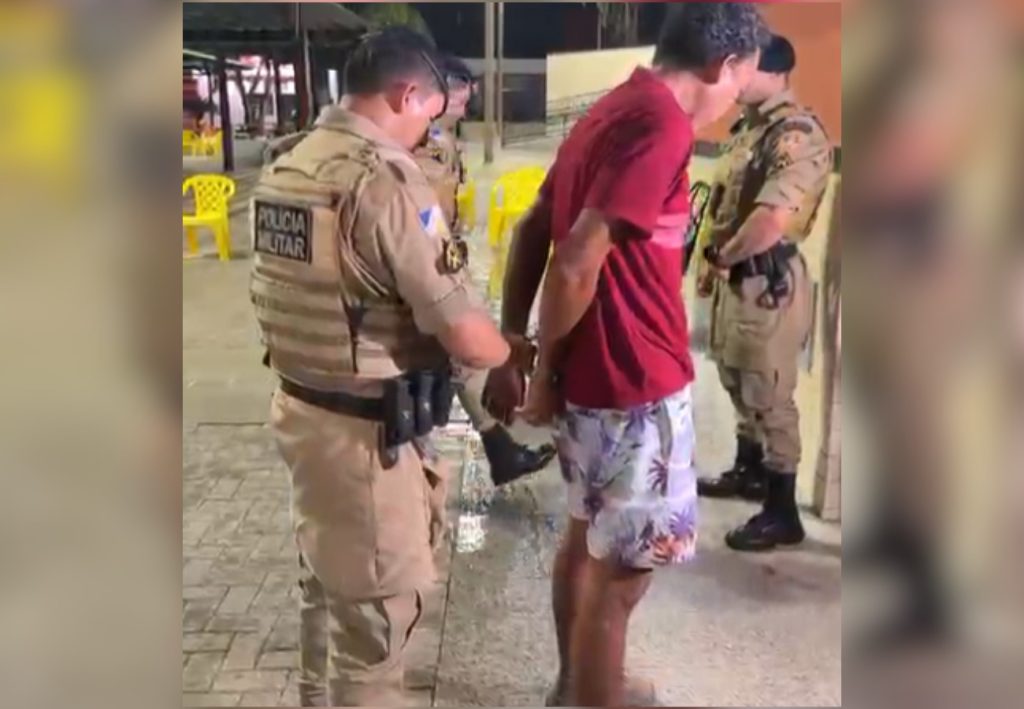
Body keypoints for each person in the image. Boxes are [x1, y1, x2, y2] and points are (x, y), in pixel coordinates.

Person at [484, 4, 768, 705]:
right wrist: (541, 371)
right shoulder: (661, 125)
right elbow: (574, 260)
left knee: (587, 542)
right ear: (724, 65)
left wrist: (516, 344)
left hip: (594, 387)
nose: (738, 98)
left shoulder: (610, 108)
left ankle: (580, 684)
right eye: (743, 81)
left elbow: (532, 228)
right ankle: (595, 694)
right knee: (624, 576)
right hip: (635, 386)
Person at [250, 27, 527, 706]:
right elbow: (463, 331)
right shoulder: (382, 178)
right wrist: (514, 354)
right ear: (406, 95)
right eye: (428, 112)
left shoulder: (290, 164)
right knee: (377, 628)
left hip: (305, 416)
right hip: (367, 442)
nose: (426, 129)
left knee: (329, 595)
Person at [695, 34, 833, 551]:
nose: (731, 76)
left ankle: (781, 511)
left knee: (770, 394)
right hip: (736, 275)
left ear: (772, 72)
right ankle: (749, 470)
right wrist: (712, 263)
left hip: (765, 281)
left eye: (743, 67)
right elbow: (725, 205)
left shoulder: (796, 134)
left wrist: (724, 257)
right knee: (737, 375)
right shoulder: (749, 128)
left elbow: (772, 220)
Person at [413, 54, 555, 486]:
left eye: (466, 85)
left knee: (460, 361)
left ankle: (498, 449)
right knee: (457, 357)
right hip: (421, 269)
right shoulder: (417, 142)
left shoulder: (443, 140)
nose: (466, 94)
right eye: (457, 84)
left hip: (440, 263)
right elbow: (418, 213)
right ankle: (489, 450)